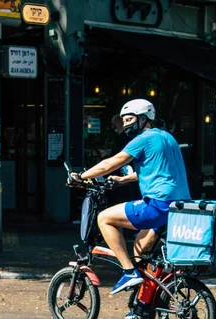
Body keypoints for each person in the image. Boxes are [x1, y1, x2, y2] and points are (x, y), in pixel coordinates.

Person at [70, 99, 191, 298]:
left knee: (104, 218)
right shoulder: (167, 137)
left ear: (143, 119)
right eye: (124, 121)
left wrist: (81, 177)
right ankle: (144, 304)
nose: (125, 124)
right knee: (138, 250)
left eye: (129, 119)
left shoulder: (143, 139)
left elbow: (112, 162)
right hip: (178, 207)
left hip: (157, 205)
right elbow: (158, 170)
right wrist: (124, 180)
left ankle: (128, 272)